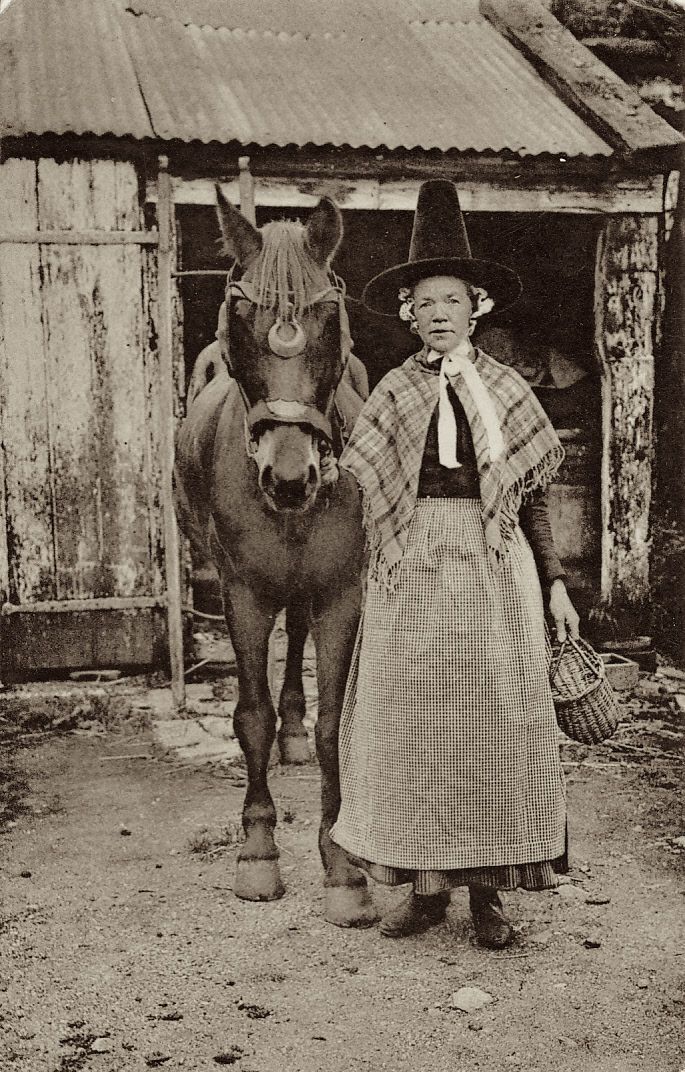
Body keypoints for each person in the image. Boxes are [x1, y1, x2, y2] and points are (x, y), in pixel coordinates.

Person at [330, 181, 580, 949]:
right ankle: (423, 893)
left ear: (476, 307)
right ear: (407, 313)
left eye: (450, 299)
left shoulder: (503, 388)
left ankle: (486, 900)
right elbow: (366, 498)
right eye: (422, 301)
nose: (437, 313)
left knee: (494, 726)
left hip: (490, 564)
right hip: (411, 573)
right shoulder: (395, 391)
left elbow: (529, 499)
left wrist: (557, 584)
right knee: (412, 728)